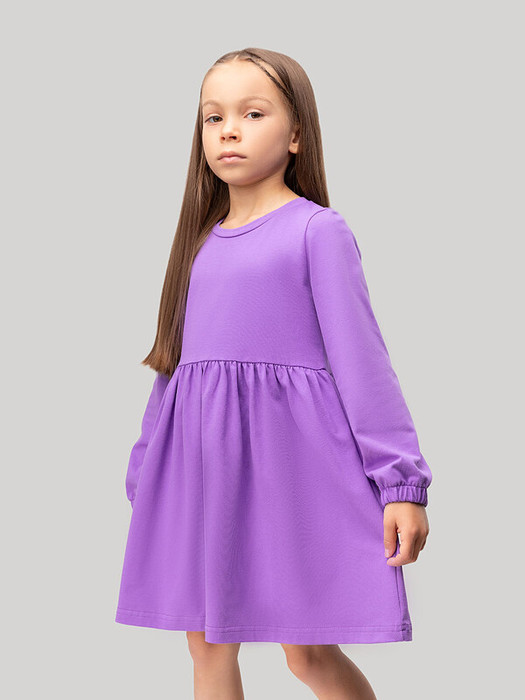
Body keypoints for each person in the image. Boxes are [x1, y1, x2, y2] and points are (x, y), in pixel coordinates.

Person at [115, 47, 432, 700]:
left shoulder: (317, 232)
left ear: (295, 136)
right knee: (206, 644)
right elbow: (175, 368)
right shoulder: (197, 244)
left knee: (307, 651)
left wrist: (400, 482)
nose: (228, 130)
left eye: (252, 114)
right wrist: (146, 464)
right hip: (204, 472)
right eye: (213, 117)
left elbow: (363, 363)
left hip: (294, 471)